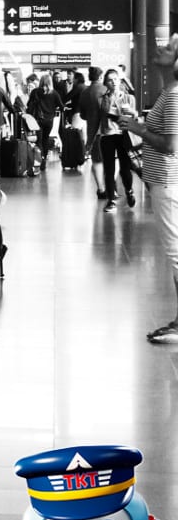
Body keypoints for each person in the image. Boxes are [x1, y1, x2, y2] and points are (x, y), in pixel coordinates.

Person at [119, 38, 178, 343]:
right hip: (164, 181)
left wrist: (137, 128)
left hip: (168, 182)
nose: (159, 49)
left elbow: (170, 145)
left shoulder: (174, 96)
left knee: (175, 251)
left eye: (167, 49)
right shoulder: (167, 93)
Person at [98, 68, 139, 212]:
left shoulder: (129, 98)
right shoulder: (103, 99)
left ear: (120, 81)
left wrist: (133, 113)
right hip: (108, 135)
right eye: (110, 80)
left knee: (125, 168)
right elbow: (100, 118)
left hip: (124, 135)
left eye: (115, 79)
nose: (113, 82)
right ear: (106, 83)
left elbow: (134, 118)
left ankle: (129, 190)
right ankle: (111, 200)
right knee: (109, 169)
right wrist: (90, 141)